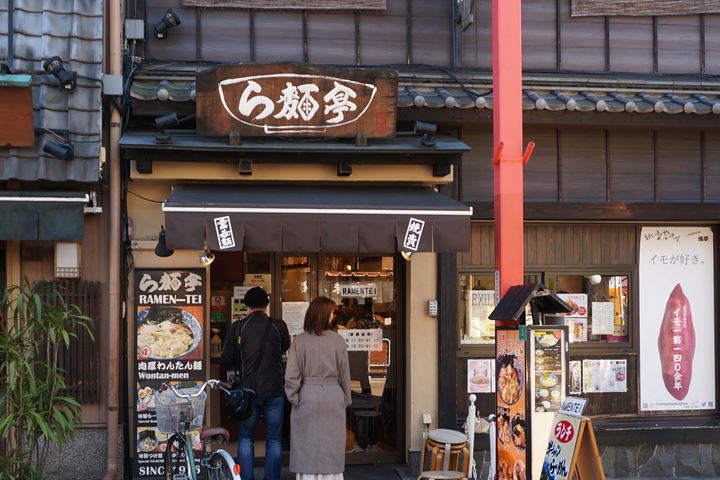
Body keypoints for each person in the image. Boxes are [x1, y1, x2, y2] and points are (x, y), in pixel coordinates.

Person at [221, 286, 290, 480]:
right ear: (266, 305)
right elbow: (284, 347)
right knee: (274, 439)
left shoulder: (238, 327)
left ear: (247, 305)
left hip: (247, 392)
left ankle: (245, 478)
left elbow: (226, 357)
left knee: (245, 437)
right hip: (275, 390)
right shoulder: (279, 325)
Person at [285, 297, 352, 480]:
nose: (332, 316)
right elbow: (344, 374)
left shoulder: (300, 341)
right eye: (331, 313)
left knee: (306, 445)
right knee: (332, 446)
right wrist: (346, 398)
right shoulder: (337, 341)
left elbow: (291, 376)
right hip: (333, 396)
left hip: (307, 395)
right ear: (324, 315)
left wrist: (294, 398)